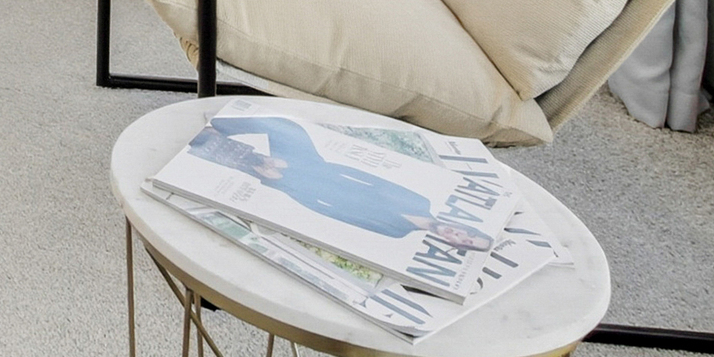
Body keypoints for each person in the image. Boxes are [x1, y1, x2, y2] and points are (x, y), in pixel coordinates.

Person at [190, 115, 494, 251]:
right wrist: (295, 164)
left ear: (453, 243)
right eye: (468, 233)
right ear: (463, 226)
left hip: (304, 188)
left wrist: (284, 182)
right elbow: (365, 176)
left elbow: (334, 214)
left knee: (248, 165)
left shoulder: (397, 232)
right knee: (287, 129)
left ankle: (204, 141)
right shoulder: (421, 202)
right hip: (317, 168)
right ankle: (217, 125)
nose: (459, 235)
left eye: (463, 242)